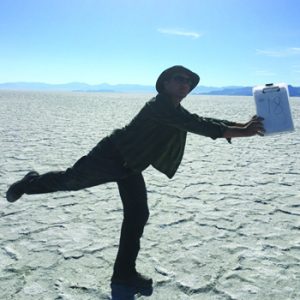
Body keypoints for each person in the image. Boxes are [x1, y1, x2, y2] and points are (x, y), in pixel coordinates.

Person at [6, 65, 265, 297]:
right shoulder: (159, 106)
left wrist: (242, 125)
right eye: (178, 78)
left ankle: (123, 274)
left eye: (188, 81)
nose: (184, 83)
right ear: (164, 84)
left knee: (138, 214)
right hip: (111, 156)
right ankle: (30, 182)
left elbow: (204, 121)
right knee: (70, 181)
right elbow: (199, 126)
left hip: (130, 166)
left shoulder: (174, 108)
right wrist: (244, 131)